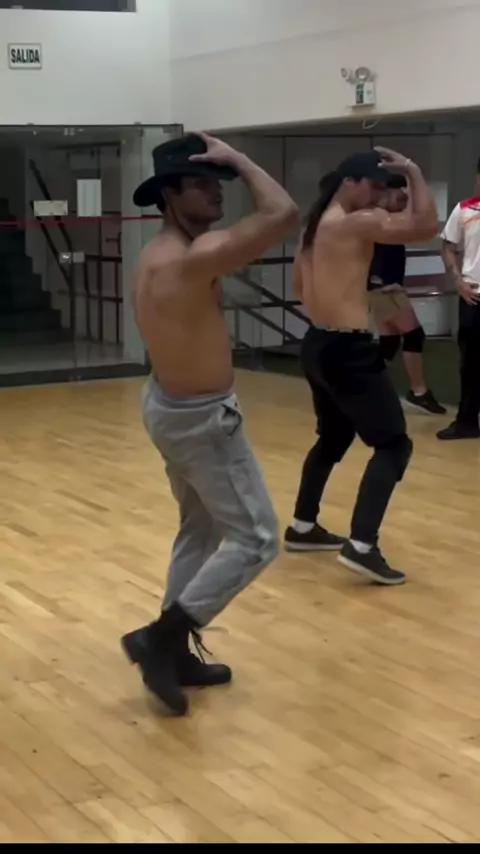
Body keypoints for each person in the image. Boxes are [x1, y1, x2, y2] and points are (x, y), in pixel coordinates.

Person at [121, 133, 299, 715]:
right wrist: (242, 160)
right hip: (201, 419)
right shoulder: (190, 258)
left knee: (199, 531)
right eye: (201, 183)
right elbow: (283, 214)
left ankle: (174, 654)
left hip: (169, 405)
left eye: (218, 181)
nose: (217, 192)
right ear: (169, 195)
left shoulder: (158, 252)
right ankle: (162, 640)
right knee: (256, 538)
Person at [284, 149, 438, 584]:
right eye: (372, 186)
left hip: (318, 343)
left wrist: (341, 296)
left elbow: (299, 287)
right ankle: (362, 546)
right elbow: (425, 226)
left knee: (333, 438)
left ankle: (303, 527)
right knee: (393, 445)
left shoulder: (314, 227)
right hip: (346, 350)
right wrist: (414, 171)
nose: (376, 195)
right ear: (348, 182)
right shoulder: (353, 222)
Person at [368, 174, 445, 415]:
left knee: (390, 342)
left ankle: (367, 387)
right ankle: (418, 391)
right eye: (399, 196)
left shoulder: (388, 218)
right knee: (413, 334)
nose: (403, 201)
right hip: (383, 288)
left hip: (384, 286)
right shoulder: (376, 219)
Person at [437, 160, 480, 440]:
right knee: (472, 362)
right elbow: (448, 247)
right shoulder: (464, 209)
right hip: (474, 296)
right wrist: (458, 282)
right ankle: (466, 422)